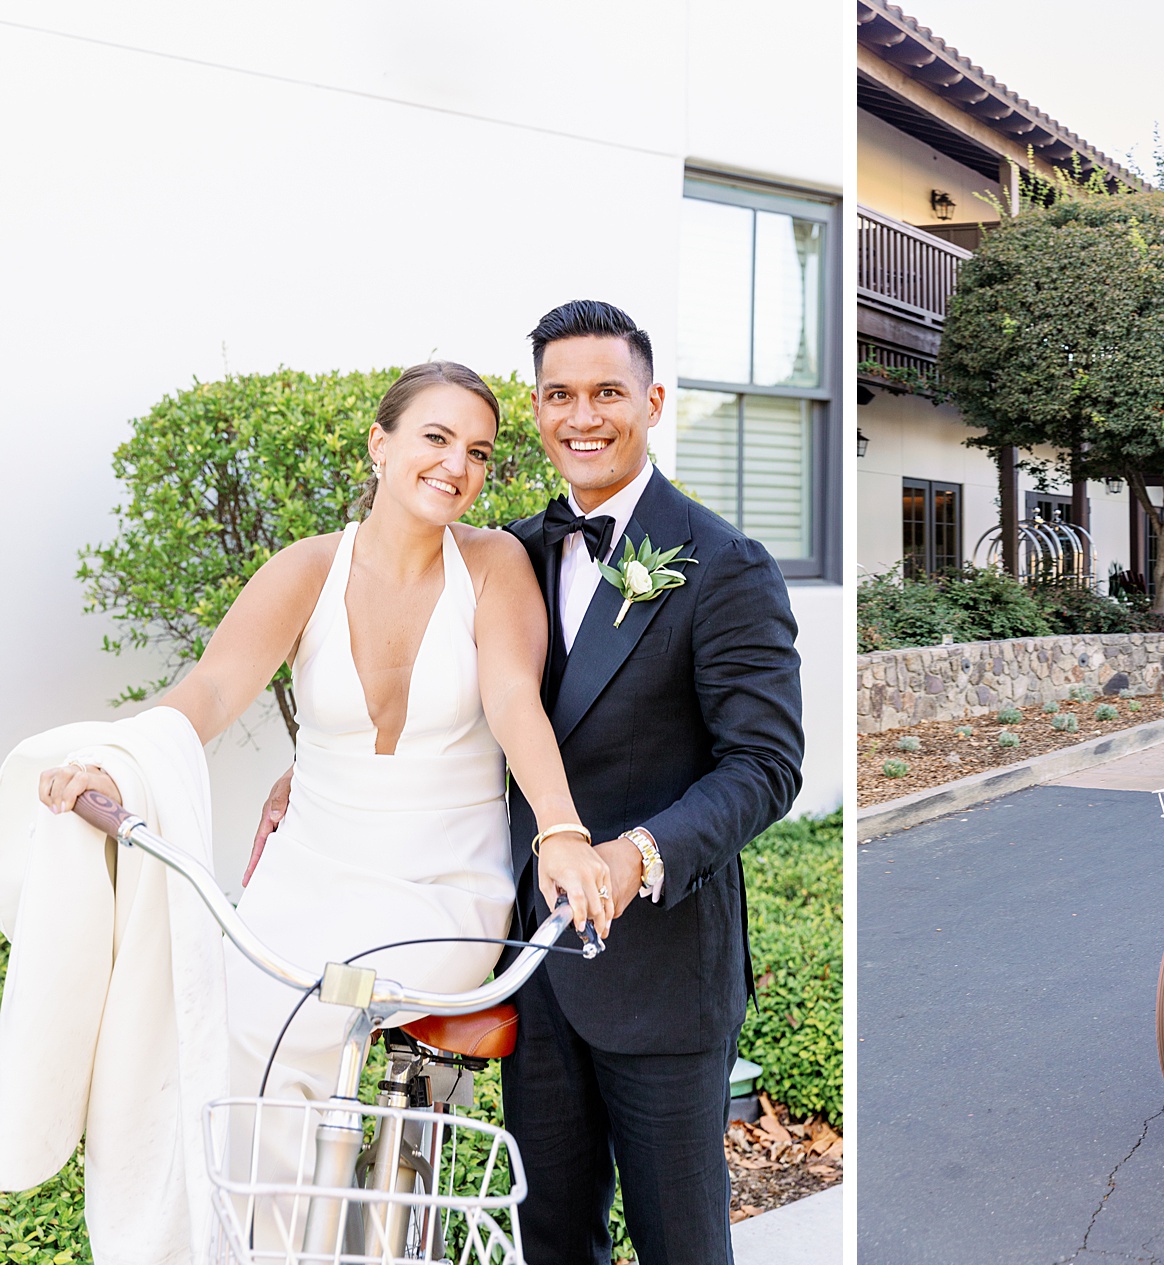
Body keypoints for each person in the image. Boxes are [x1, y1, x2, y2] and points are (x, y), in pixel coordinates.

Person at [252, 301, 805, 1265]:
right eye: (559, 395)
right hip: (526, 962)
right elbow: (445, 704)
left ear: (653, 401)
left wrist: (641, 854)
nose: (581, 416)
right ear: (539, 409)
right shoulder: (505, 551)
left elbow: (765, 764)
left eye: (606, 393)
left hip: (660, 970)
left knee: (684, 1243)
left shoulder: (725, 564)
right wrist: (312, 770)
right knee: (548, 1235)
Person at [36, 361, 615, 1146]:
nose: (457, 465)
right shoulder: (306, 569)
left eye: (478, 452)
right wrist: (122, 758)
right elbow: (210, 690)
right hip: (307, 869)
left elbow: (515, 701)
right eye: (436, 438)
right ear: (381, 443)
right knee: (223, 1028)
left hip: (441, 883)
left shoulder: (493, 565)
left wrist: (562, 829)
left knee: (295, 1009)